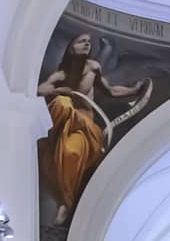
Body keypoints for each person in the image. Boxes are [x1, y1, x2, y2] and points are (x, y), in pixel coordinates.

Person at [36, 33, 152, 225]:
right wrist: (60, 90)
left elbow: (111, 91)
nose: (87, 44)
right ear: (71, 47)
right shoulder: (61, 75)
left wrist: (134, 91)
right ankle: (63, 200)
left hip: (84, 128)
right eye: (81, 41)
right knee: (62, 103)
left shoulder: (93, 68)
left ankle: (66, 203)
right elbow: (41, 90)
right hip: (64, 123)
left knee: (71, 151)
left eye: (89, 42)